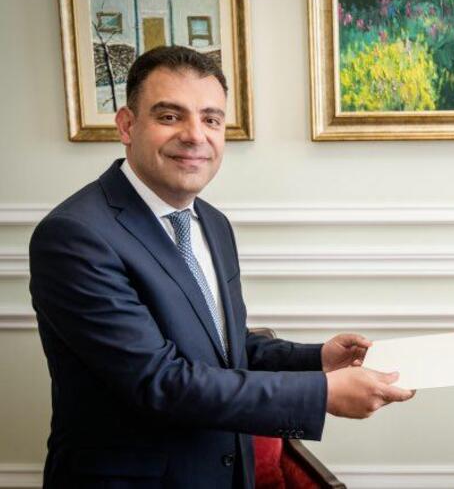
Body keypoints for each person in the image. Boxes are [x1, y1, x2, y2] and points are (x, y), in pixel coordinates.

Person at [29, 45, 413, 488]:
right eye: (170, 116)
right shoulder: (75, 236)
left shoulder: (212, 223)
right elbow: (160, 382)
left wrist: (317, 359)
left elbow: (223, 348)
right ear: (127, 125)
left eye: (211, 119)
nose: (195, 135)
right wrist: (322, 394)